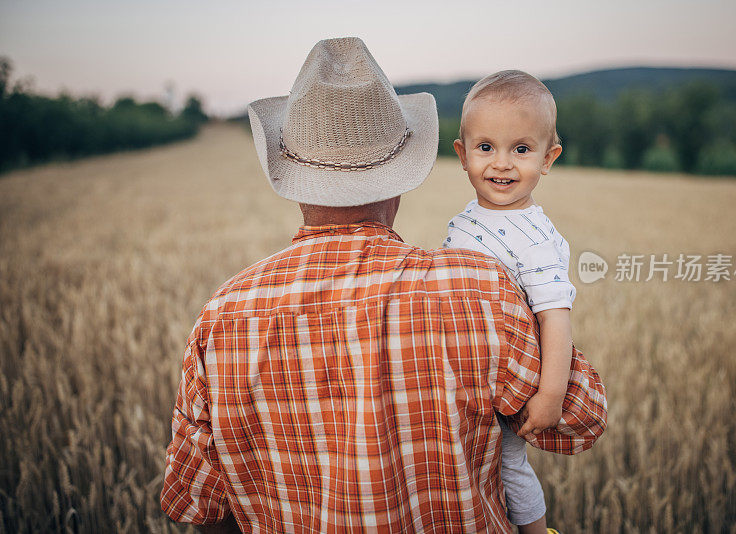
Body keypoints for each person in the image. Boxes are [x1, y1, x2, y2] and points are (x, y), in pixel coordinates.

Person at [160, 38, 586, 533]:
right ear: (400, 174)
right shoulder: (479, 289)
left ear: (293, 175)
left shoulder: (224, 314)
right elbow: (579, 423)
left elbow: (199, 508)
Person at [443, 70, 571, 533]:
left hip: (508, 379)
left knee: (507, 462)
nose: (501, 164)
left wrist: (551, 393)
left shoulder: (535, 236)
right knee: (462, 464)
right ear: (462, 154)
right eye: (485, 148)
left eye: (521, 149)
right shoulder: (465, 221)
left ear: (548, 157)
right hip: (463, 373)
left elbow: (554, 315)